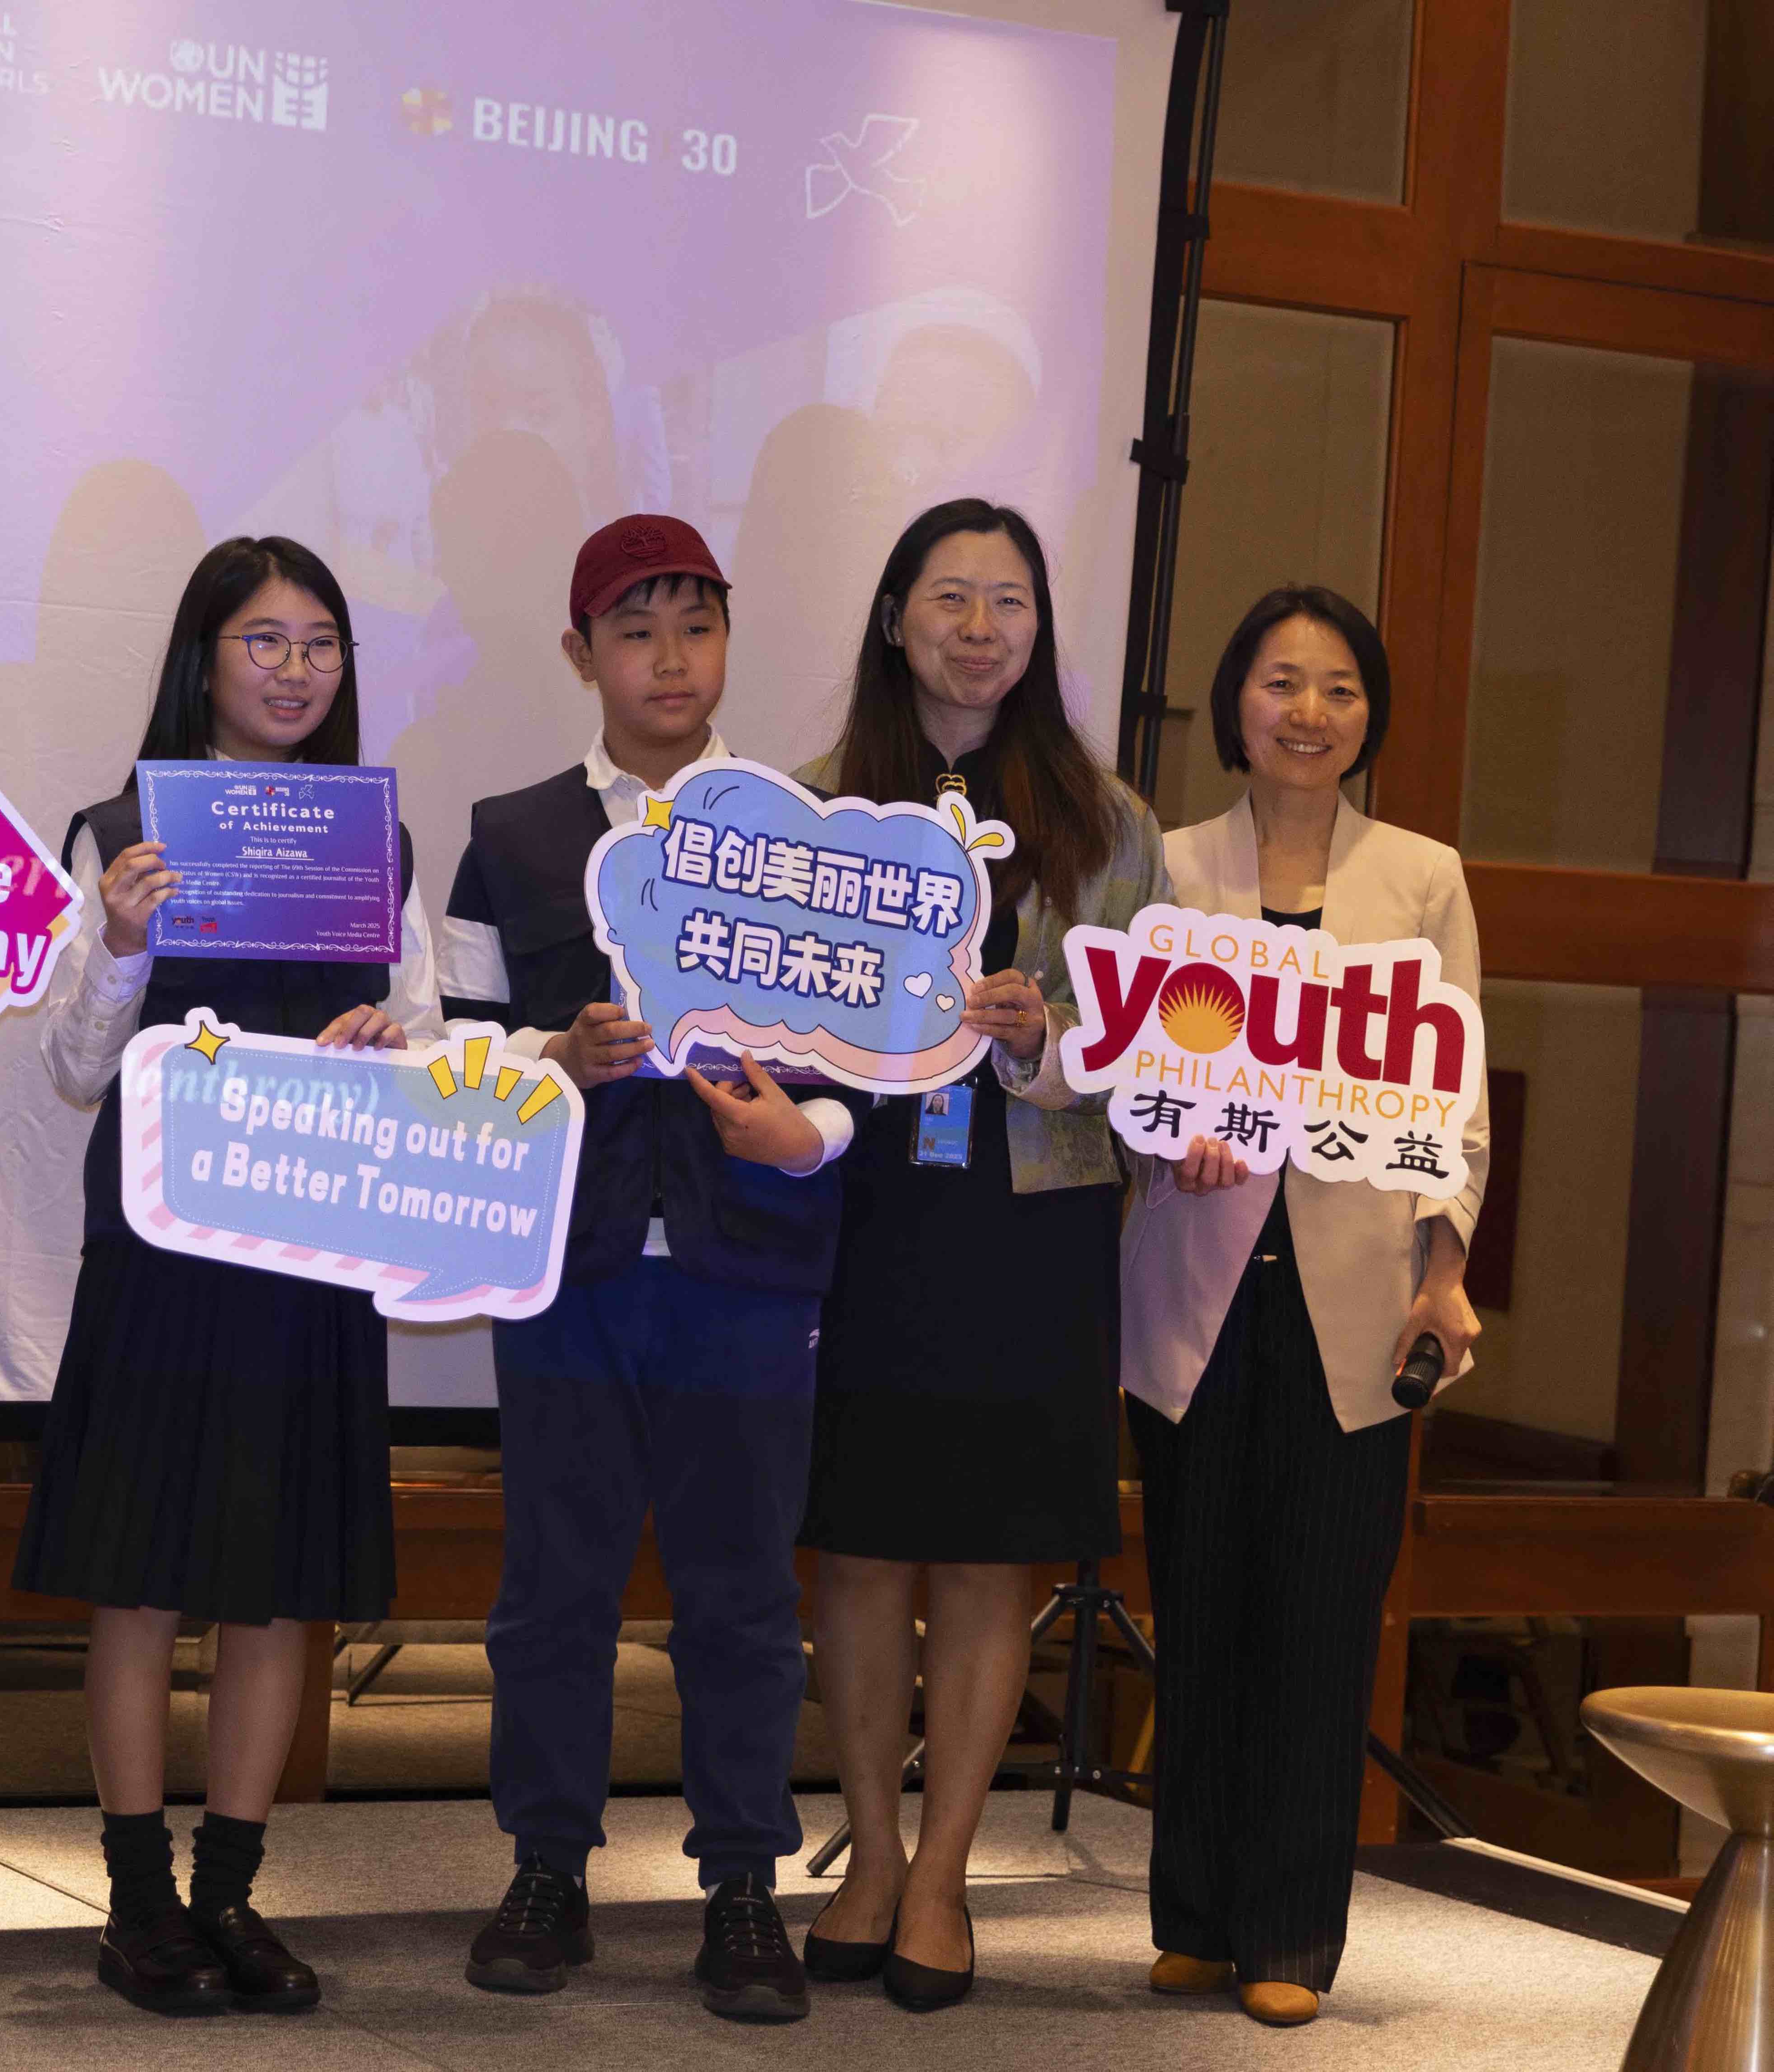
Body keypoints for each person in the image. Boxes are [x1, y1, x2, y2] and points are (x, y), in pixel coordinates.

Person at [437, 513, 857, 2025]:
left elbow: (856, 1068)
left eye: (694, 626)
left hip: (746, 1272)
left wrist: (799, 1137)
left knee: (740, 1594)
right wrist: (551, 1055)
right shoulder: (507, 836)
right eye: (634, 630)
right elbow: (454, 1054)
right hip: (574, 1264)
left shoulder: (804, 836)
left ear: (726, 641)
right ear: (580, 654)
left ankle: (741, 1884)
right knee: (552, 1587)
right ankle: (545, 1866)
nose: (668, 659)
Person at [13, 537, 436, 2016]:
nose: (294, 669)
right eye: (264, 640)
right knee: (139, 1585)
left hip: (308, 1247)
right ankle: (137, 1903)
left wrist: (391, 1048)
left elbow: (428, 1042)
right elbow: (74, 1063)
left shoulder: (374, 844)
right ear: (204, 658)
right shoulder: (120, 831)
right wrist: (122, 940)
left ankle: (230, 1894)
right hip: (162, 1246)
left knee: (276, 1592)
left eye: (319, 642)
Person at [790, 500, 1169, 2012]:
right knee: (859, 1544)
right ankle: (869, 1853)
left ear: (1038, 629)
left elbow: (1149, 1053)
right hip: (862, 1207)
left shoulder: (1109, 821)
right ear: (894, 618)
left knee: (988, 1553)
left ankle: (944, 1870)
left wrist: (1043, 1037)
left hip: (1026, 1217)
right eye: (948, 598)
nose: (977, 629)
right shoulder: (817, 806)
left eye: (1007, 602)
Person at [1121, 586, 1484, 2028]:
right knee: (1199, 1602)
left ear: (1367, 716)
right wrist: (1167, 1142)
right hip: (1193, 1291)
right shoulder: (1166, 862)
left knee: (1321, 1617)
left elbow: (1452, 1096)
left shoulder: (1422, 878)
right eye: (1281, 681)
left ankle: (1287, 1932)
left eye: (1339, 687)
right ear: (1236, 701)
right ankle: (1194, 1916)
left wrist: (1445, 1272)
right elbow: (1125, 1072)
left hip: (1358, 1296)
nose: (1309, 711)